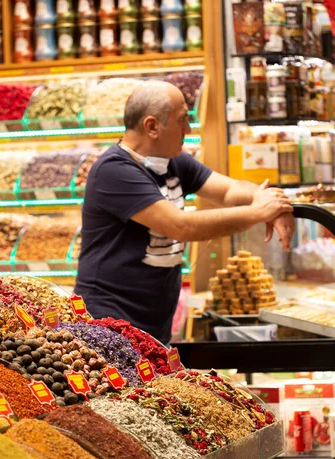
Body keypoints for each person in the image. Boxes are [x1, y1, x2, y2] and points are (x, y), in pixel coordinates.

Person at [75, 81, 295, 345]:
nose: (188, 129)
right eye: (182, 121)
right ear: (152, 126)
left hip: (153, 324)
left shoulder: (172, 160)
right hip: (108, 324)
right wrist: (259, 212)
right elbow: (181, 226)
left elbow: (228, 190)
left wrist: (271, 200)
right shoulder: (114, 170)